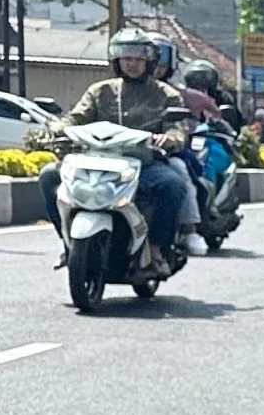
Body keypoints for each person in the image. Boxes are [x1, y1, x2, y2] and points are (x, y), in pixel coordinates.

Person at [40, 32, 197, 260]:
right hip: (96, 161)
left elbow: (178, 128)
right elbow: (76, 117)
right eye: (126, 59)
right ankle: (67, 244)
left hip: (144, 162)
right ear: (117, 61)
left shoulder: (166, 94)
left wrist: (171, 137)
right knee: (48, 176)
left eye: (137, 59)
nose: (132, 64)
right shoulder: (100, 91)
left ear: (149, 62)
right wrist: (58, 127)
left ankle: (156, 249)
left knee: (173, 185)